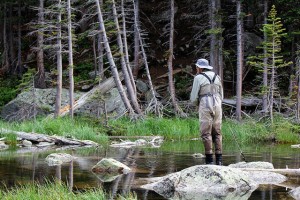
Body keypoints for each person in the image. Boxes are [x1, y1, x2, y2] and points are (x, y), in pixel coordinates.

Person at [190, 58, 224, 165]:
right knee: (217, 131)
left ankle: (209, 160)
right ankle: (219, 160)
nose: (196, 68)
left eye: (197, 67)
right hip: (218, 103)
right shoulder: (217, 76)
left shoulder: (198, 78)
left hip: (205, 103)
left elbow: (193, 96)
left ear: (200, 68)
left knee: (206, 132)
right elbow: (221, 94)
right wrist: (218, 103)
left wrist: (196, 105)